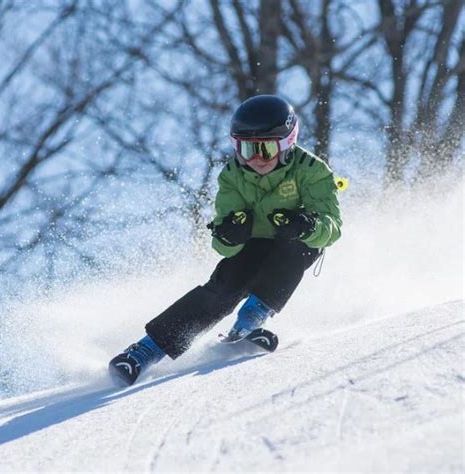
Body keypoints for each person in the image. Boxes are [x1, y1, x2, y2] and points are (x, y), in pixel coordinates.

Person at [109, 95, 342, 385]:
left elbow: (332, 227)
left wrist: (307, 225)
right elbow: (223, 244)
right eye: (245, 149)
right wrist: (229, 234)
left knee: (297, 249)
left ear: (286, 144)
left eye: (265, 149)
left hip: (294, 242)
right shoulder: (232, 175)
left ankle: (251, 320)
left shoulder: (312, 170)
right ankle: (144, 352)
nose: (255, 159)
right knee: (225, 286)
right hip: (253, 245)